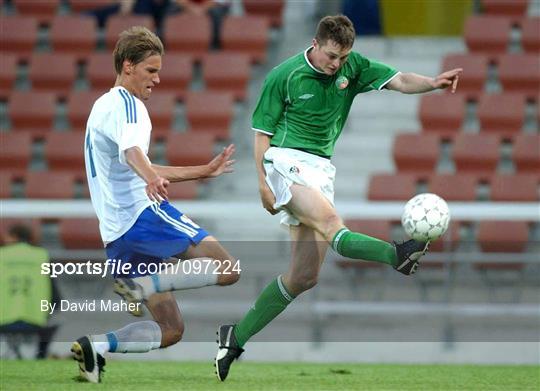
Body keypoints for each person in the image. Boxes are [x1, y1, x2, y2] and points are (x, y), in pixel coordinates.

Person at [214, 15, 462, 381]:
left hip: (320, 170)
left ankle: (235, 336)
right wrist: (263, 184)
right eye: (332, 56)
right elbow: (262, 135)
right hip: (285, 162)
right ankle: (399, 254)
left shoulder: (354, 67)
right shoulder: (284, 75)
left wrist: (432, 83)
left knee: (303, 277)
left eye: (343, 58)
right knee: (333, 226)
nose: (337, 64)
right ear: (315, 44)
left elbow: (399, 80)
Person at [73, 26, 239, 383]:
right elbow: (135, 156)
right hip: (142, 216)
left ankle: (97, 347)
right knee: (228, 268)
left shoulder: (103, 107)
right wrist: (150, 179)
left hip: (116, 234)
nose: (158, 79)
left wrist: (202, 171)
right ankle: (144, 287)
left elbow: (135, 162)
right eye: (151, 70)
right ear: (128, 65)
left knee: (171, 329)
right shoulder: (129, 105)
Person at [0, 224, 59, 359]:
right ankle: (39, 358)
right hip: (35, 321)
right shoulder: (42, 255)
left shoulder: (2, 255)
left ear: (14, 237)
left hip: (3, 320)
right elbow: (56, 297)